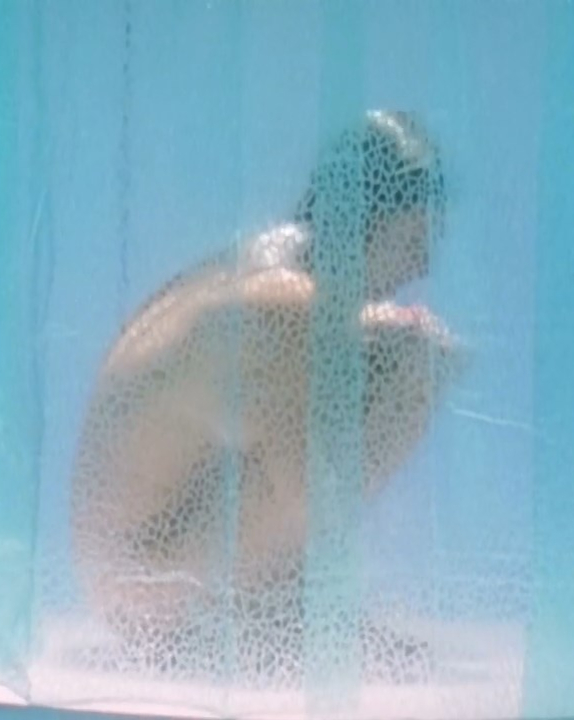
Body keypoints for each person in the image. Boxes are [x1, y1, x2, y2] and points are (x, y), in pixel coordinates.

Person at [71, 111, 462, 683]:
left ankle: (273, 618)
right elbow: (315, 501)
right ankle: (267, 626)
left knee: (376, 370)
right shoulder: (286, 307)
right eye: (412, 240)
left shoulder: (268, 267)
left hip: (133, 568)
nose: (423, 265)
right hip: (143, 600)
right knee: (408, 372)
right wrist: (420, 371)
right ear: (366, 224)